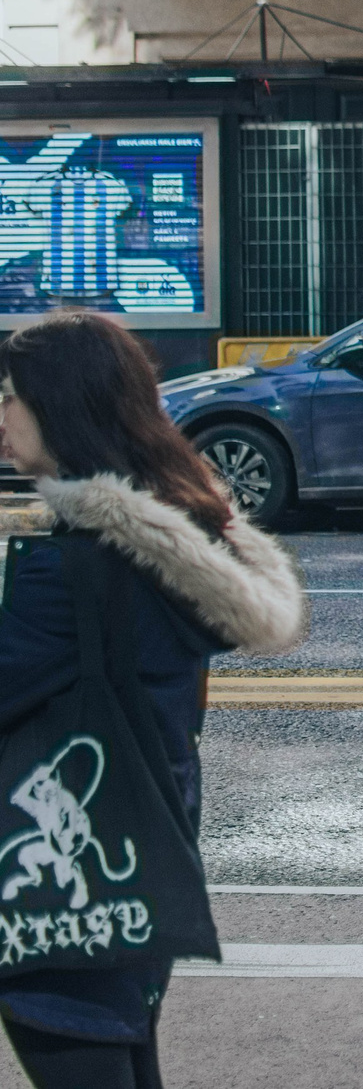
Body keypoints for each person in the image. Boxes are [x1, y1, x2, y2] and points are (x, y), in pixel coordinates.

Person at [0, 311, 307, 1089]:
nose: (1, 415)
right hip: (145, 867)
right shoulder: (172, 551)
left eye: (11, 396)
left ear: (61, 405)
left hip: (50, 894)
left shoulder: (65, 574)